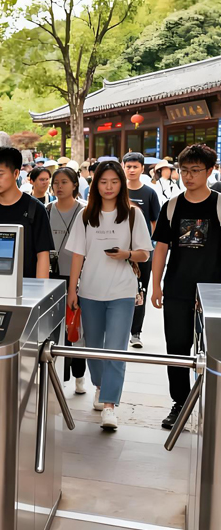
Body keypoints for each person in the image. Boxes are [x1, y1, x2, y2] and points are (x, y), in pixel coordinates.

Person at [65, 160, 152, 430]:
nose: (109, 187)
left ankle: (110, 405)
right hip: (90, 290)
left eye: (114, 182)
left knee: (115, 349)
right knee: (93, 348)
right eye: (104, 182)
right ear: (95, 184)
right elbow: (78, 254)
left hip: (122, 291)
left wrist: (126, 254)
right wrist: (72, 289)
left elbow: (144, 253)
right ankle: (101, 387)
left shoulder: (133, 214)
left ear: (121, 184)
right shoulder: (85, 215)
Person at [151, 144, 221, 430]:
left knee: (214, 349)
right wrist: (155, 285)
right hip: (177, 288)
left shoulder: (219, 203)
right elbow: (161, 249)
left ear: (209, 171)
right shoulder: (173, 205)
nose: (188, 176)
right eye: (184, 171)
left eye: (195, 171)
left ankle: (213, 402)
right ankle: (179, 403)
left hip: (214, 291)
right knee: (177, 348)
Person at [0, 147, 54, 290]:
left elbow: (43, 255)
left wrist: (41, 292)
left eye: (0, 174)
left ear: (15, 173)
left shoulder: (35, 209)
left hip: (26, 288)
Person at [47, 167, 87, 391]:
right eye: (56, 183)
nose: (59, 186)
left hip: (78, 276)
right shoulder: (46, 209)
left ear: (74, 185)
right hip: (52, 277)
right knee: (54, 328)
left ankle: (79, 375)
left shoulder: (86, 211)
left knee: (76, 329)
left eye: (64, 182)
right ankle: (57, 375)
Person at [123, 152, 160, 349]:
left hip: (143, 251)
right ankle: (120, 327)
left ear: (142, 169)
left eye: (135, 167)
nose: (131, 170)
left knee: (140, 290)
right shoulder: (117, 190)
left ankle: (136, 332)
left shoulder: (150, 193)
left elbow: (155, 223)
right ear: (123, 167)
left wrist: (150, 247)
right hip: (120, 250)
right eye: (128, 166)